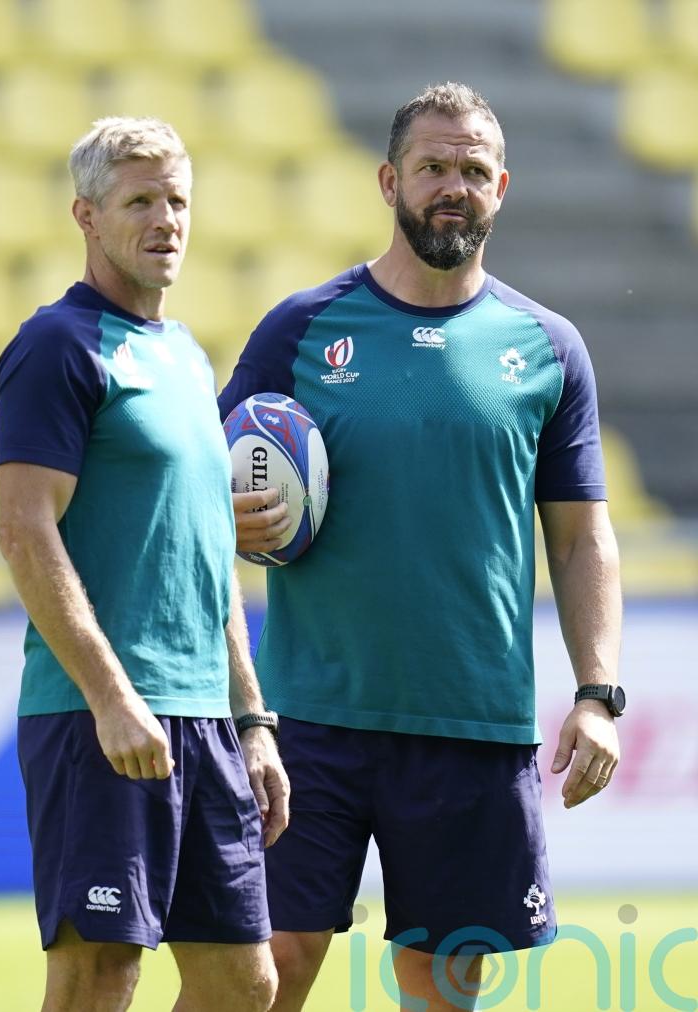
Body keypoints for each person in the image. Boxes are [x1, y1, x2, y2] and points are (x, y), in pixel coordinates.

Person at [219, 82, 624, 1012]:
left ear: (502, 188)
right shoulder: (301, 328)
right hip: (311, 718)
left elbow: (580, 534)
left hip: (470, 724)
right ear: (388, 180)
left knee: (441, 992)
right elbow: (210, 475)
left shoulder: (549, 347)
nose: (453, 185)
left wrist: (598, 694)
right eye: (433, 166)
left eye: (472, 170)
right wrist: (227, 514)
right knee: (263, 971)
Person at [0, 117, 288, 1012]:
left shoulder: (187, 357)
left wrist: (252, 718)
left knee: (245, 982)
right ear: (86, 215)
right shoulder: (57, 346)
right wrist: (112, 697)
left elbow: (207, 554)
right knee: (98, 974)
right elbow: (23, 530)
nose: (166, 221)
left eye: (177, 201)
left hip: (206, 719)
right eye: (140, 202)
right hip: (104, 717)